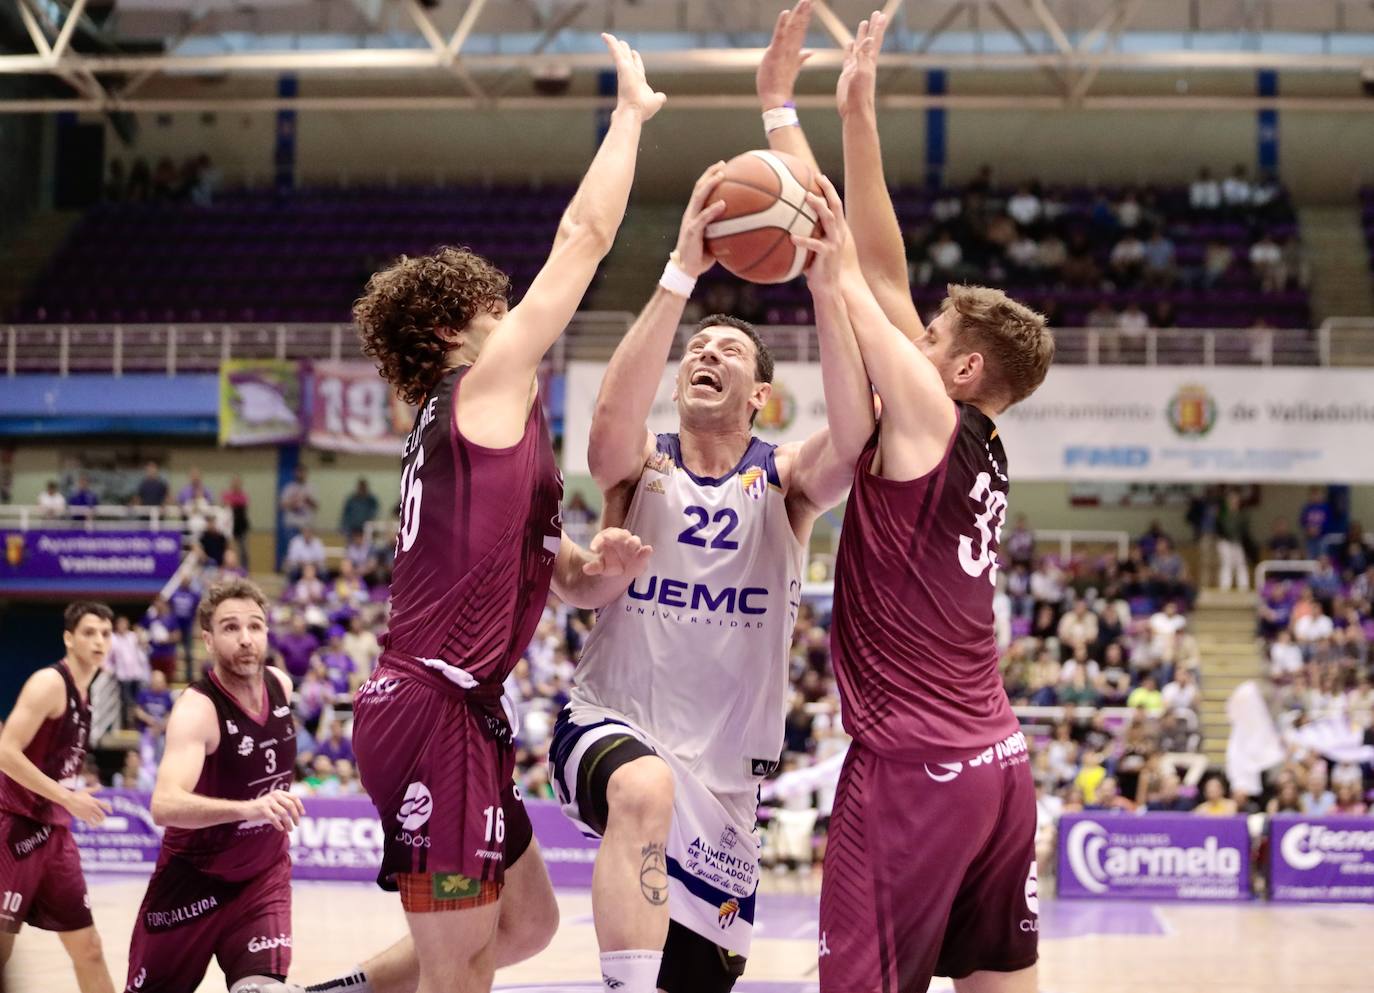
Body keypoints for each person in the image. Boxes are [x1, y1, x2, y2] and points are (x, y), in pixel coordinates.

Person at [316, 34, 664, 993]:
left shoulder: (493, 433)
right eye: (491, 307)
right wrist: (629, 114)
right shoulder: (481, 387)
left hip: (459, 707)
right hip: (432, 701)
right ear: (447, 330)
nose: (510, 315)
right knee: (462, 962)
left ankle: (339, 990)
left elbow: (565, 574)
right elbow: (583, 241)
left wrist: (603, 569)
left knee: (525, 923)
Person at [547, 38, 872, 985]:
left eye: (729, 349)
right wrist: (680, 276)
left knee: (705, 974)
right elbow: (608, 421)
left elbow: (854, 440)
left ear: (762, 396)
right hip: (613, 724)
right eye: (700, 345)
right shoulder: (637, 468)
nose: (708, 353)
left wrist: (822, 283)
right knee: (641, 788)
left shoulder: (785, 480)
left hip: (726, 777)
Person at [816, 11, 1054, 992]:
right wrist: (860, 113)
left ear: (959, 368)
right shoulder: (980, 447)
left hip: (917, 769)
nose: (907, 341)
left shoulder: (932, 423)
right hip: (1000, 765)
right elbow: (887, 272)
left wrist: (797, 141)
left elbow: (865, 277)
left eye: (928, 338)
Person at [124, 578, 304, 993]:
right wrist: (249, 808)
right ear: (207, 639)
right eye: (230, 628)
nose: (245, 639)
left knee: (262, 989)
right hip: (193, 881)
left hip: (263, 877)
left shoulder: (281, 685)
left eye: (255, 627)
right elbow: (164, 805)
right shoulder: (198, 709)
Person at [0, 601, 117, 992]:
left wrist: (70, 791)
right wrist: (69, 799)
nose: (99, 640)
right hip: (13, 827)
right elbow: (5, 752)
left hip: (54, 832)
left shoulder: (88, 693)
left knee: (90, 949)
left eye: (105, 633)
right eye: (88, 632)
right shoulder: (49, 683)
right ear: (68, 638)